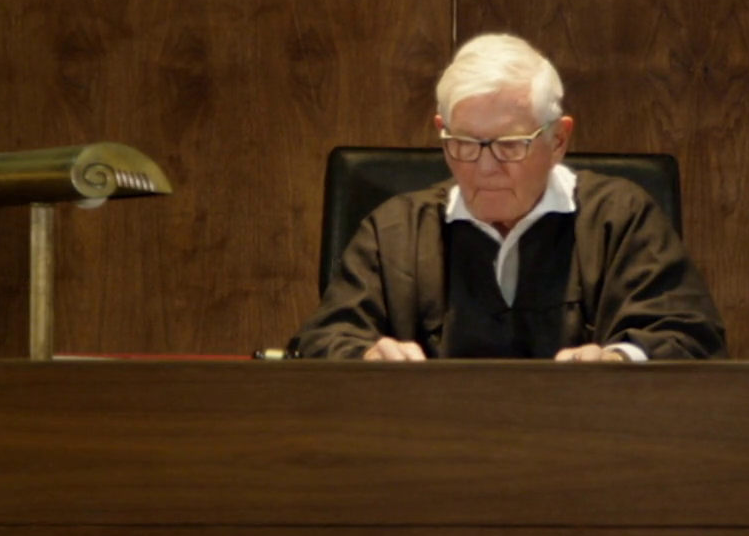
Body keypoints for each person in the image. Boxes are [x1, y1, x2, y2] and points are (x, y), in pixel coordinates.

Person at [292, 34, 726, 361]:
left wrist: (619, 360)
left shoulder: (620, 218)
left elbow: (690, 337)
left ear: (558, 140)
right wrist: (364, 357)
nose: (485, 167)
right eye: (464, 143)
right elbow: (323, 340)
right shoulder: (394, 232)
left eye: (511, 144)